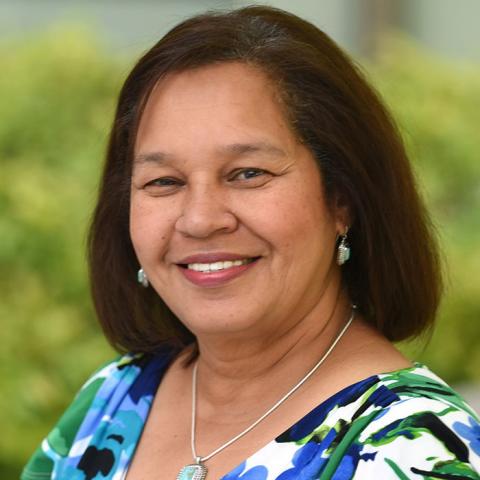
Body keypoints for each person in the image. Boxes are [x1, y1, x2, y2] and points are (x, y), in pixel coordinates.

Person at [22, 5, 480, 480]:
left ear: (342, 198)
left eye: (247, 173)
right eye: (164, 181)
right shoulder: (113, 399)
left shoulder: (414, 451)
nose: (200, 220)